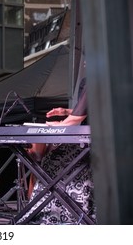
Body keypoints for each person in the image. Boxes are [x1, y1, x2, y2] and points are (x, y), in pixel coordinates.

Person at [22, 77, 97, 224]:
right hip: (103, 137)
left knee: (54, 159)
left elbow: (78, 117)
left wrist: (61, 125)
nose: (85, 63)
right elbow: (93, 108)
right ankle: (71, 209)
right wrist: (67, 112)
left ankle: (55, 211)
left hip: (96, 140)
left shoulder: (95, 78)